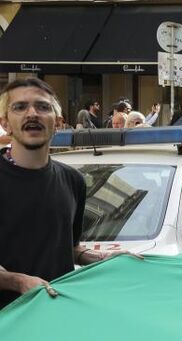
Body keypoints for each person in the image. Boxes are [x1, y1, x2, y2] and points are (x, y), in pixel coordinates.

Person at [0, 78, 127, 310]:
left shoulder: (73, 180)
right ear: (5, 123)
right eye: (20, 107)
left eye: (43, 106)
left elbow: (70, 247)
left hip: (57, 315)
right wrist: (17, 281)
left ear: (57, 123)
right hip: (7, 322)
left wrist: (103, 259)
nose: (32, 113)